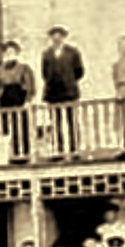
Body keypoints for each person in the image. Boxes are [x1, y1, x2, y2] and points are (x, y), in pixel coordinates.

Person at [41, 25, 85, 156]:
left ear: (63, 38)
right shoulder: (47, 54)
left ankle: (74, 148)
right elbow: (44, 73)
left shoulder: (72, 52)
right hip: (53, 93)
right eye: (54, 36)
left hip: (69, 92)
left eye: (59, 36)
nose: (57, 39)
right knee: (56, 123)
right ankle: (58, 149)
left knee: (72, 121)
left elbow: (79, 71)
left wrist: (69, 80)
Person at [0, 40, 35, 159]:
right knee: (5, 126)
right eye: (7, 52)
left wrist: (28, 100)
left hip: (19, 97)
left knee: (21, 126)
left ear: (16, 53)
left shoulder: (24, 68)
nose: (9, 55)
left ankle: (24, 153)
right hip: (5, 99)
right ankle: (9, 154)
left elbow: (30, 85)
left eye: (12, 52)